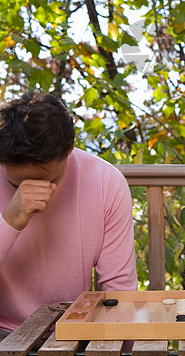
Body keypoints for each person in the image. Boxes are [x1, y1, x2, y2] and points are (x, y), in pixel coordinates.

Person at [0, 91, 138, 336]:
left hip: (75, 332)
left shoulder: (106, 182)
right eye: (16, 185)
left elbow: (118, 290)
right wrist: (10, 221)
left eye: (47, 182)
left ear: (70, 150)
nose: (30, 193)